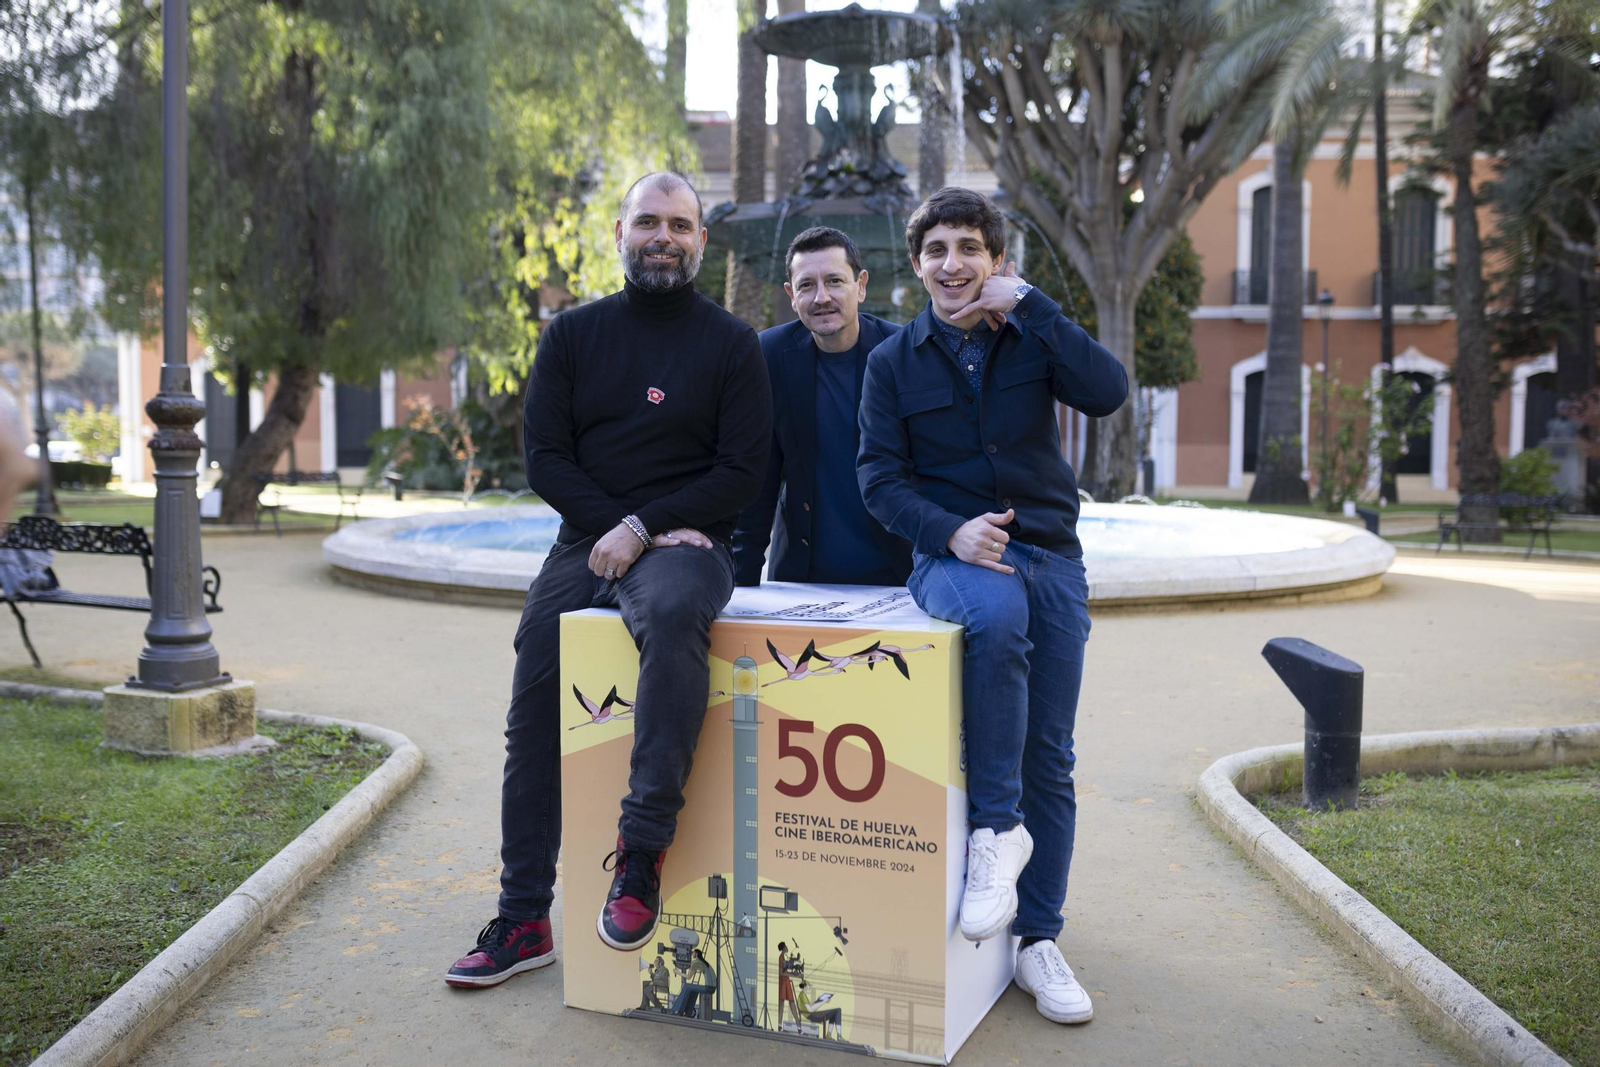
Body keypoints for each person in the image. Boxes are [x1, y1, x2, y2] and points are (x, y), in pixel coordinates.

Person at [445, 172, 772, 988]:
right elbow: (545, 459)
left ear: (702, 240)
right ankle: (524, 917)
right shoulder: (572, 335)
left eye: (681, 225)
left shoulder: (732, 343)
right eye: (649, 222)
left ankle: (640, 854)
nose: (664, 237)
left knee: (669, 620)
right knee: (535, 707)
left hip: (687, 546)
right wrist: (614, 528)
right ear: (619, 233)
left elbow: (741, 470)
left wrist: (645, 527)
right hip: (583, 543)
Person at [857, 187, 1127, 1026]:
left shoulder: (1031, 335)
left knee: (1053, 750)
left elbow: (1109, 390)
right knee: (997, 615)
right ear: (916, 265)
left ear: (996, 261)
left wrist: (1038, 308)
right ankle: (995, 833)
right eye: (936, 249)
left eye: (969, 247)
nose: (952, 263)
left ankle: (1037, 940)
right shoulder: (893, 361)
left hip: (1053, 558)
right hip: (950, 560)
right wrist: (951, 531)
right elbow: (877, 479)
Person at [732, 226, 910, 587]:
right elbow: (758, 475)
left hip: (901, 575)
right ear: (791, 295)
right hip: (802, 576)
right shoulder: (769, 355)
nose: (821, 297)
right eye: (807, 285)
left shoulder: (902, 352)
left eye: (834, 281)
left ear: (860, 285)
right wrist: (740, 582)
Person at [670, 949, 718, 1018]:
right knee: (693, 990)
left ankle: (678, 1010)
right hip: (712, 987)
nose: (692, 954)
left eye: (693, 953)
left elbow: (688, 977)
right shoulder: (704, 963)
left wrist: (678, 973)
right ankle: (688, 1012)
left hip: (708, 987)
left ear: (696, 953)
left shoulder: (696, 963)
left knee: (687, 986)